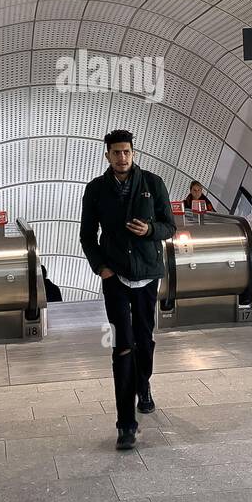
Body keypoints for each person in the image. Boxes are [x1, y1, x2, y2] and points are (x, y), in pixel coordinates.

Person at [79, 129, 175, 450]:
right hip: (116, 278)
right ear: (107, 155)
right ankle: (126, 425)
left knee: (144, 338)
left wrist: (150, 230)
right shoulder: (96, 190)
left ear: (133, 153)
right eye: (116, 152)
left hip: (148, 275)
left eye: (127, 152)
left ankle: (143, 384)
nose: (122, 157)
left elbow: (170, 227)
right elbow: (87, 236)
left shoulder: (153, 183)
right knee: (123, 345)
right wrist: (101, 268)